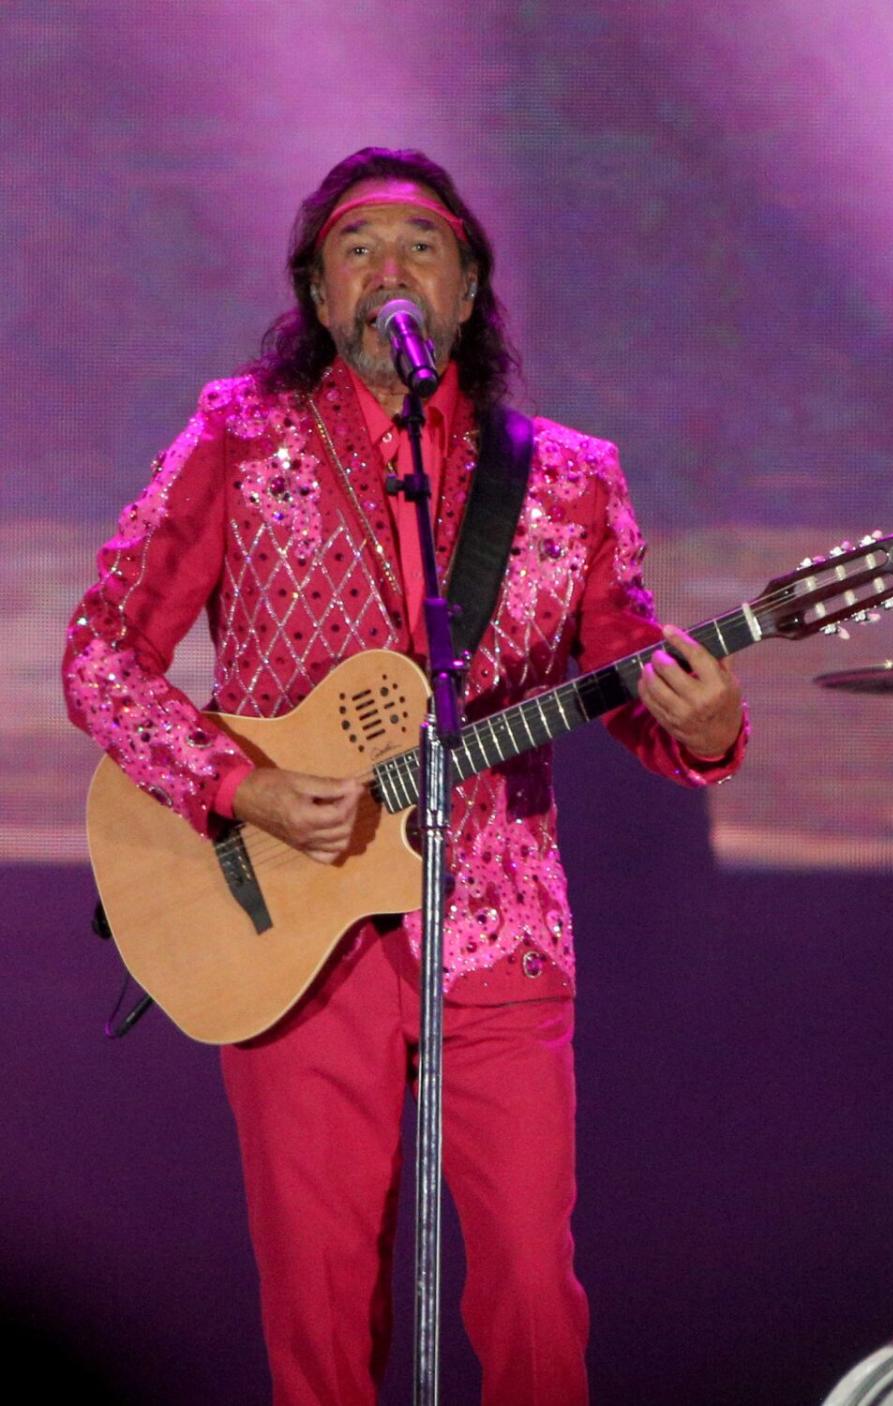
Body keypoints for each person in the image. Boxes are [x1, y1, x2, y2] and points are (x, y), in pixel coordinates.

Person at [63, 147, 747, 1405]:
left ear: (470, 289)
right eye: (357, 249)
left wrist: (701, 722)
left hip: (503, 923)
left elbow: (631, 674)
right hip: (295, 927)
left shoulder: (570, 477)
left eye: (422, 247)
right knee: (322, 1306)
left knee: (537, 1294)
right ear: (318, 297)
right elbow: (102, 654)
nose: (390, 270)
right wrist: (239, 785)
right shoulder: (238, 435)